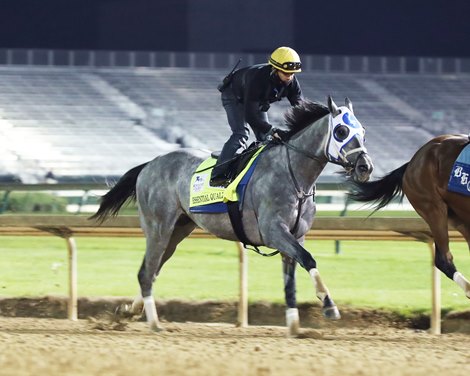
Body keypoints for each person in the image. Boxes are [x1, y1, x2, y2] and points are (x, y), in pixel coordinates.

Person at [210, 46, 303, 187]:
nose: (289, 77)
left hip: (256, 100)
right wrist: (273, 130)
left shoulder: (292, 82)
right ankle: (218, 174)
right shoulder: (258, 79)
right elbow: (250, 116)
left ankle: (259, 174)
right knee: (241, 134)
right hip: (234, 96)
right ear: (275, 69)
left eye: (292, 73)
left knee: (266, 140)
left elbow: (301, 109)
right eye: (285, 72)